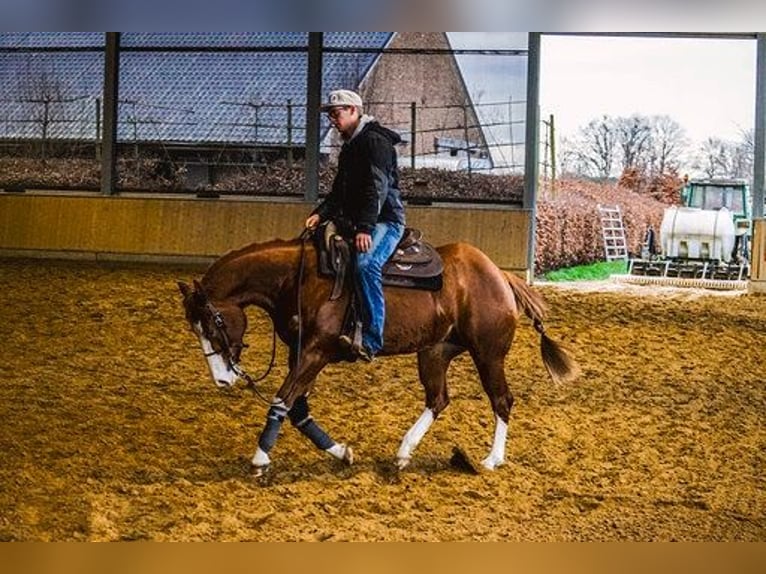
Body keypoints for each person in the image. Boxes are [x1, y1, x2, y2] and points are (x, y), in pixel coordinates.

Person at [305, 89, 405, 362]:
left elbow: (377, 189)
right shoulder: (351, 146)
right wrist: (320, 213)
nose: (332, 120)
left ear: (353, 111)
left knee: (366, 264)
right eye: (330, 116)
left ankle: (372, 338)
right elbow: (339, 192)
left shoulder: (375, 143)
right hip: (359, 219)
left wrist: (365, 228)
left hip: (386, 220)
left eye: (336, 114)